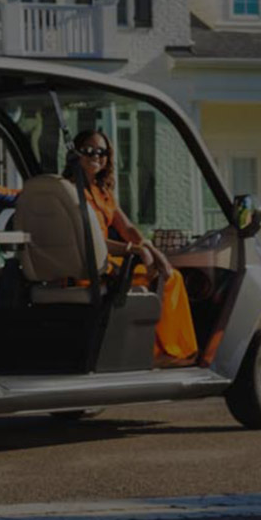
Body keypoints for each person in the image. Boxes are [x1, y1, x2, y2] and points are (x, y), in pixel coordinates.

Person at [67, 129, 199, 366]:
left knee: (170, 275)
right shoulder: (72, 192)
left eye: (102, 151)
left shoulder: (102, 192)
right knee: (168, 280)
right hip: (91, 267)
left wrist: (149, 248)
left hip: (106, 260)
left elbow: (127, 228)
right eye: (89, 150)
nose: (96, 155)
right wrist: (133, 250)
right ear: (76, 153)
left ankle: (170, 349)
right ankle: (165, 352)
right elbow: (89, 241)